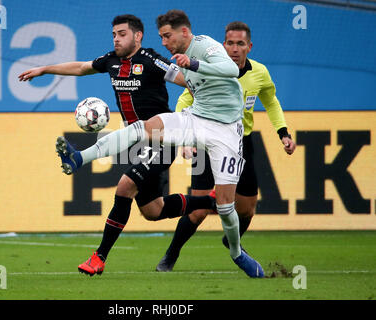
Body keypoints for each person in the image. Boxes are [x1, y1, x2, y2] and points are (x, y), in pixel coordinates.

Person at [47, 10, 266, 278]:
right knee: (143, 132)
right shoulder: (153, 60)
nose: (163, 41)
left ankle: (236, 253)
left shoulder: (205, 47)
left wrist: (194, 65)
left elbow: (232, 70)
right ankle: (79, 158)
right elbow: (188, 85)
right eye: (161, 36)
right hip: (197, 118)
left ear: (183, 32)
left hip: (226, 132)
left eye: (167, 36)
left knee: (225, 206)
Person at [19, 14, 218, 276]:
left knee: (125, 186)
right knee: (153, 210)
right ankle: (214, 202)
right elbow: (81, 67)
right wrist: (45, 69)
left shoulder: (151, 60)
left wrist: (194, 121)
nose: (116, 38)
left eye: (122, 34)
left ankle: (99, 257)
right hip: (136, 142)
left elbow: (187, 81)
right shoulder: (110, 61)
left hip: (162, 139)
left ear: (137, 36)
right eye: (114, 34)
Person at [156, 21, 296, 272]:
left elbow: (271, 102)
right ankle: (169, 257)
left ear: (249, 47)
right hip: (207, 140)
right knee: (197, 211)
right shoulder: (208, 68)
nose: (234, 48)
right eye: (229, 43)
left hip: (241, 142)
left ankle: (232, 241)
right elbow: (185, 97)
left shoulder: (260, 73)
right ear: (223, 45)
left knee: (247, 208)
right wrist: (186, 140)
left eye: (240, 44)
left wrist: (283, 132)